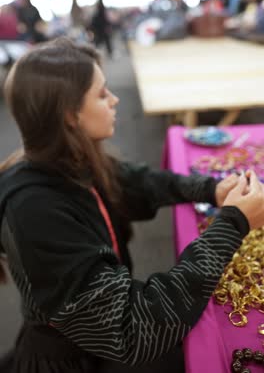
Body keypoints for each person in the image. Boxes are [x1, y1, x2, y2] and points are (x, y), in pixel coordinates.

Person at [0, 37, 264, 373]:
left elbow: (137, 183)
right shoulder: (36, 212)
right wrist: (233, 224)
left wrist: (211, 189)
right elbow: (133, 329)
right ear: (69, 116)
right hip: (71, 357)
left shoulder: (69, 158)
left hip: (96, 330)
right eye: (101, 94)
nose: (114, 100)